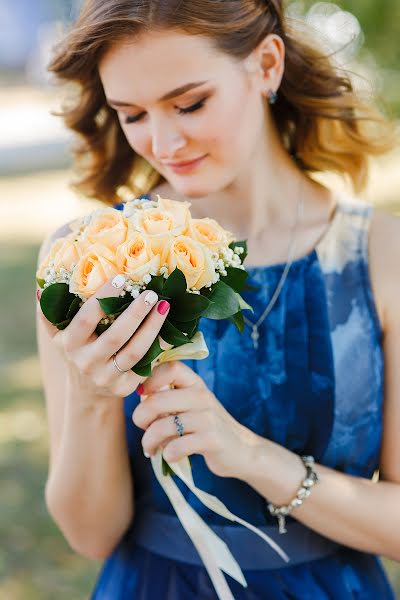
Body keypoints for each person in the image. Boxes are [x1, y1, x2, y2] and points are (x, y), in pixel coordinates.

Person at [36, 0, 400, 598]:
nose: (163, 141)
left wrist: (254, 458)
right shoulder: (88, 261)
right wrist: (91, 397)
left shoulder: (380, 257)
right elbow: (90, 536)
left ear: (266, 64)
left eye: (189, 103)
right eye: (131, 115)